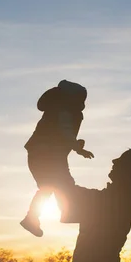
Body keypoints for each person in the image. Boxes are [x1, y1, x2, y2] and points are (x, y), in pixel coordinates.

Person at [57, 149, 131, 262]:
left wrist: (58, 158)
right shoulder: (119, 198)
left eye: (122, 161)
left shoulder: (115, 200)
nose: (114, 161)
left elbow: (67, 193)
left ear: (130, 171)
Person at [20, 79, 94, 238]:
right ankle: (66, 212)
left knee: (50, 186)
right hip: (47, 155)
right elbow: (65, 132)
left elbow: (63, 134)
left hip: (43, 154)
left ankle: (35, 217)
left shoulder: (58, 110)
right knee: (60, 184)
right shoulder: (63, 111)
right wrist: (77, 148)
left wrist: (75, 145)